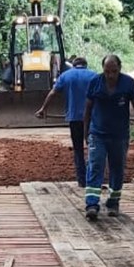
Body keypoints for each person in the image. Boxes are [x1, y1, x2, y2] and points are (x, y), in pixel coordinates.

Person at [83, 54, 134, 220]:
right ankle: (92, 204)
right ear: (102, 70)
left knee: (117, 167)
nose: (110, 75)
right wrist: (86, 131)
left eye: (114, 71)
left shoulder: (128, 83)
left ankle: (113, 202)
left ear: (119, 69)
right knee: (95, 165)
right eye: (107, 71)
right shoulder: (95, 83)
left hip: (119, 135)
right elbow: (88, 109)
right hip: (98, 133)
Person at [35, 56, 95, 187]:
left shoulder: (66, 76)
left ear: (73, 65)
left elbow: (52, 93)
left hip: (74, 118)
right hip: (92, 118)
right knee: (93, 147)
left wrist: (43, 109)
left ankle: (82, 180)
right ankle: (93, 178)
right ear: (86, 65)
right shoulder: (94, 76)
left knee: (78, 149)